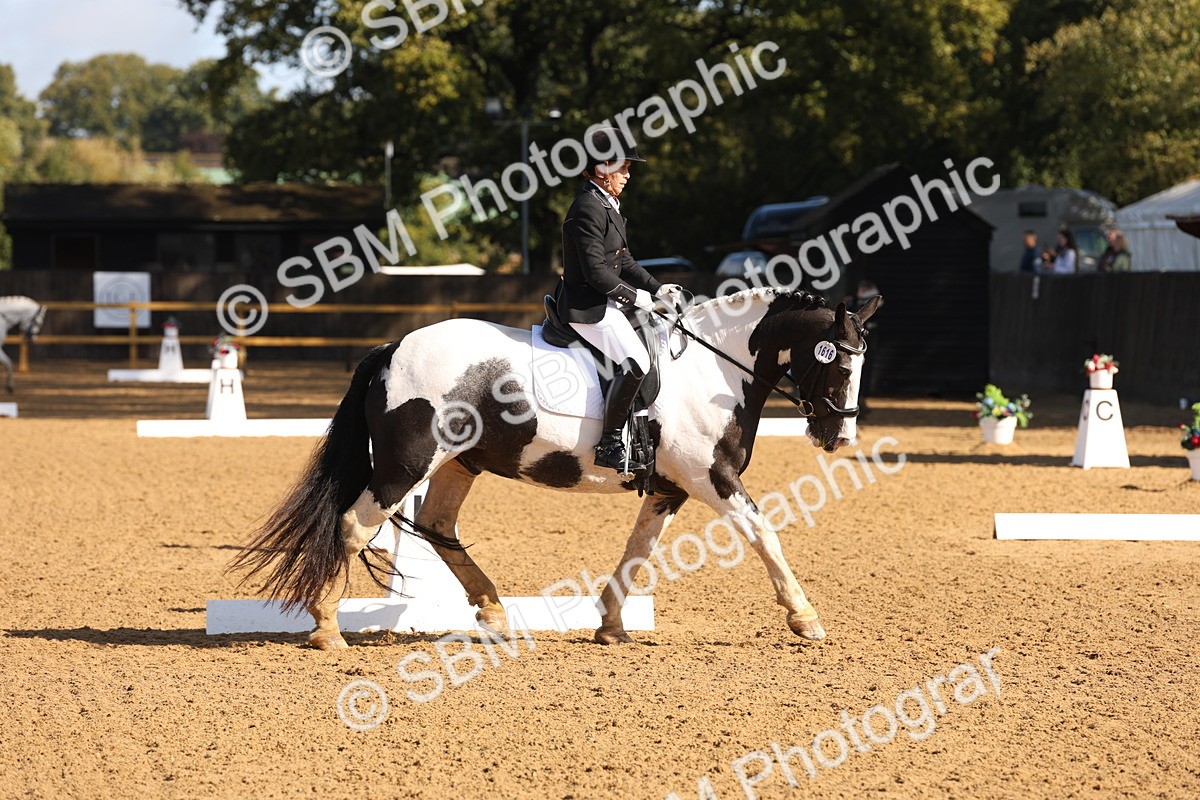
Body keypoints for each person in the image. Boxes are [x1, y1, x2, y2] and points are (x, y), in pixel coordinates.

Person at [555, 128, 686, 473]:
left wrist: (657, 289)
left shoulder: (606, 204)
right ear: (601, 168)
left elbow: (623, 260)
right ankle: (610, 443)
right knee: (638, 360)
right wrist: (639, 298)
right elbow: (597, 274)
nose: (628, 175)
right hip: (587, 307)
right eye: (623, 168)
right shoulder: (588, 207)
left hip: (606, 301)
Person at [844, 280, 882, 414]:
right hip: (857, 343)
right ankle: (857, 400)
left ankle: (861, 400)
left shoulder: (872, 304)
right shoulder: (853, 303)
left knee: (865, 373)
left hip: (867, 343)